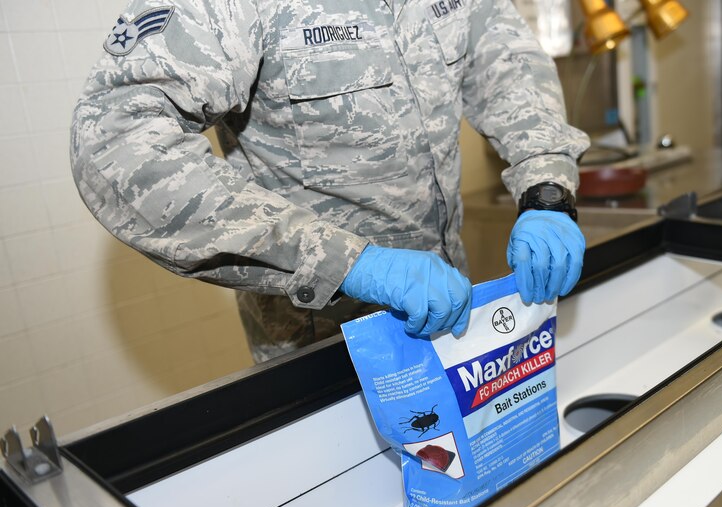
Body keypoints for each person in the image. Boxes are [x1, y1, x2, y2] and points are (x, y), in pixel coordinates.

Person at [71, 0, 590, 363]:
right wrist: (348, 264)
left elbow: (508, 65)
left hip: (450, 314)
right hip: (321, 342)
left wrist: (546, 185)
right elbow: (116, 138)